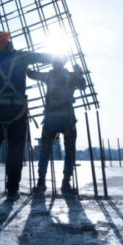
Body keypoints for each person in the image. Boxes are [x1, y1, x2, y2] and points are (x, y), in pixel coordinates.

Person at [0, 31, 52, 204]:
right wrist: (57, 59)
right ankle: (12, 191)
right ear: (7, 44)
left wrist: (2, 88)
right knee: (15, 153)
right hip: (17, 113)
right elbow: (42, 57)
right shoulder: (21, 57)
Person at [27, 57, 85, 195]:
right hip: (67, 119)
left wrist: (24, 64)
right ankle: (66, 182)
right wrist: (80, 74)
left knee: (44, 151)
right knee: (69, 151)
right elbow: (83, 86)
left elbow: (31, 75)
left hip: (51, 120)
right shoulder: (70, 76)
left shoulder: (49, 76)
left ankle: (41, 182)